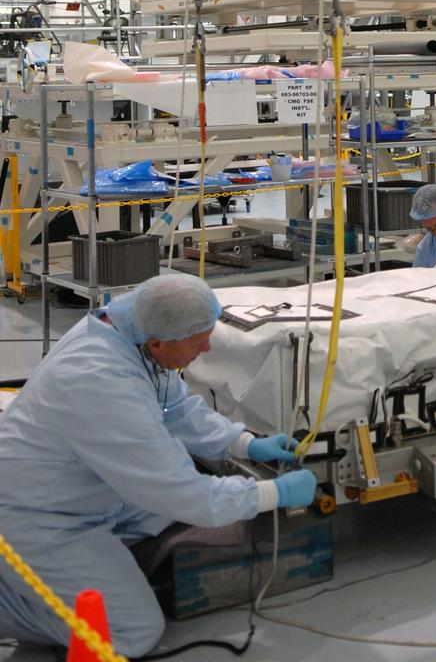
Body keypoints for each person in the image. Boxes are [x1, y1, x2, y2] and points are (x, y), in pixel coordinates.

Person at [0, 276, 318, 655]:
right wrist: (273, 493)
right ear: (157, 343)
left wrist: (245, 444)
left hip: (79, 485)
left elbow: (176, 407)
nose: (207, 347)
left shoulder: (125, 336)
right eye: (198, 345)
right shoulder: (100, 384)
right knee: (130, 631)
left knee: (166, 491)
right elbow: (187, 496)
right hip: (38, 515)